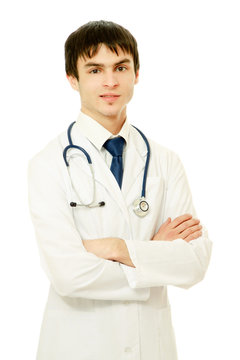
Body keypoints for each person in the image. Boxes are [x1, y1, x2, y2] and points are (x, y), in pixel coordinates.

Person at [28, 20, 212, 360]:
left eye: (120, 67)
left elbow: (194, 263)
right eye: (95, 69)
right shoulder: (48, 163)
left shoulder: (166, 162)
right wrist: (153, 256)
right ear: (73, 78)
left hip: (150, 347)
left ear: (136, 73)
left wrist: (115, 247)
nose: (110, 82)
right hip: (76, 346)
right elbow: (68, 275)